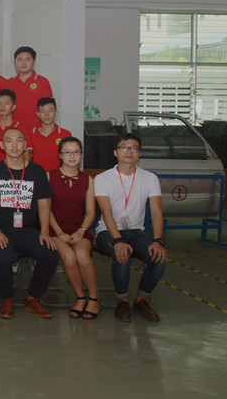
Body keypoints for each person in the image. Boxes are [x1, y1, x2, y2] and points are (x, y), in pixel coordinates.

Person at [0, 127, 58, 319]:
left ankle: (33, 297)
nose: (14, 145)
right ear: (2, 145)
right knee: (3, 256)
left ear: (25, 145)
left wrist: (44, 231)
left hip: (28, 229)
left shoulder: (37, 171)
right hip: (1, 229)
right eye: (9, 141)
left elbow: (44, 205)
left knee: (50, 253)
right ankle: (7, 297)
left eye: (19, 140)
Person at [95, 133, 167, 323]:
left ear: (139, 153)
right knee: (122, 254)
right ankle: (122, 301)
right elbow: (106, 212)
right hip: (107, 231)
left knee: (158, 258)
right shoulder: (102, 178)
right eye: (124, 147)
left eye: (134, 148)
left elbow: (156, 211)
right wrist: (118, 240)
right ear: (115, 152)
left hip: (136, 231)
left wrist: (158, 240)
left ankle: (141, 299)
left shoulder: (150, 178)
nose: (129, 151)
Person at [48, 137, 100, 320]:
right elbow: (46, 210)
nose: (72, 156)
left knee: (83, 256)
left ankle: (93, 298)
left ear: (81, 154)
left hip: (79, 229)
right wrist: (59, 232)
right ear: (60, 155)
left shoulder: (88, 180)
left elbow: (91, 212)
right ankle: (80, 296)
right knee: (69, 257)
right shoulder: (49, 176)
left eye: (76, 152)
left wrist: (81, 231)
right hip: (55, 229)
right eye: (67, 152)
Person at [7, 46, 53, 132]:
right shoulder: (9, 83)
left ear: (34, 62)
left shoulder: (43, 82)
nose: (23, 63)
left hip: (37, 131)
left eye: (27, 59)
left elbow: (48, 108)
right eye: (19, 60)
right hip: (14, 131)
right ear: (15, 62)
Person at [0, 89, 32, 163]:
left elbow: (26, 157)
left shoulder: (22, 130)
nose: (2, 106)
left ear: (13, 107)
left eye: (7, 103)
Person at [31, 97, 71, 172]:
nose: (46, 114)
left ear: (56, 113)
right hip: (37, 176)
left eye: (50, 111)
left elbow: (69, 159)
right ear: (38, 114)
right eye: (42, 111)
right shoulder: (31, 134)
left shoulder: (65, 134)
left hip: (59, 176)